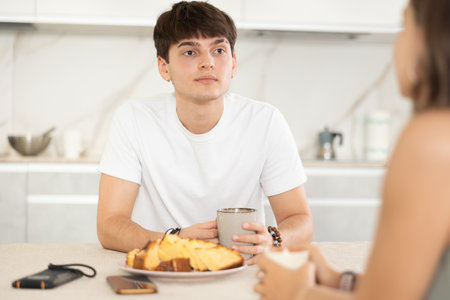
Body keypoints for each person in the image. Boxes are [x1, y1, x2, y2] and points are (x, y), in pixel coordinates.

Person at [255, 0, 450, 298]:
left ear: (432, 38)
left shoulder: (431, 140)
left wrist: (297, 291)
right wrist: (339, 280)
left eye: (405, 25)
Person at [96, 1, 313, 261]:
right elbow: (109, 226)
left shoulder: (265, 121)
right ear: (164, 67)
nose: (208, 62)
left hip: (241, 271)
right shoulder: (134, 119)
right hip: (164, 269)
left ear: (233, 64)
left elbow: (300, 220)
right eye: (190, 52)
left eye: (219, 50)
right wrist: (173, 241)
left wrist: (274, 239)